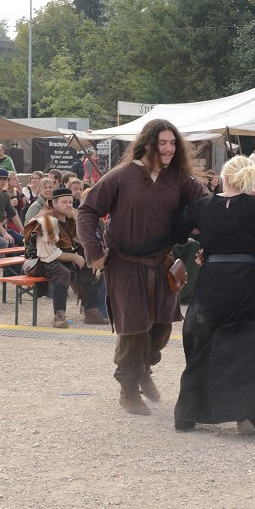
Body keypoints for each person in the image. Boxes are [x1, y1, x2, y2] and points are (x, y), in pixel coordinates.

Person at [76, 119, 208, 416]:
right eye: (163, 142)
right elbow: (87, 210)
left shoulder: (180, 179)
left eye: (173, 143)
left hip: (162, 264)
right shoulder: (122, 176)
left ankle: (144, 369)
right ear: (147, 143)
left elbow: (207, 207)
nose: (169, 148)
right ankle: (128, 389)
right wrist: (94, 250)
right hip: (125, 264)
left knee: (161, 327)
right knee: (134, 329)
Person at [173, 156, 255, 432]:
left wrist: (205, 244)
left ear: (224, 177)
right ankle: (248, 414)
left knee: (201, 341)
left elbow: (178, 230)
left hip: (213, 282)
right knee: (253, 345)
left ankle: (188, 413)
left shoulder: (202, 206)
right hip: (249, 281)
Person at [23, 187, 107, 327]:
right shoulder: (47, 221)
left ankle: (91, 311)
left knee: (92, 264)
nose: (69, 205)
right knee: (62, 271)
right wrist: (74, 257)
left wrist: (93, 255)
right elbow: (48, 254)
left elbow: (80, 239)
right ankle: (59, 317)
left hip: (59, 257)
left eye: (70, 202)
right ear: (54, 203)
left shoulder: (70, 217)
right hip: (39, 261)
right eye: (64, 202)